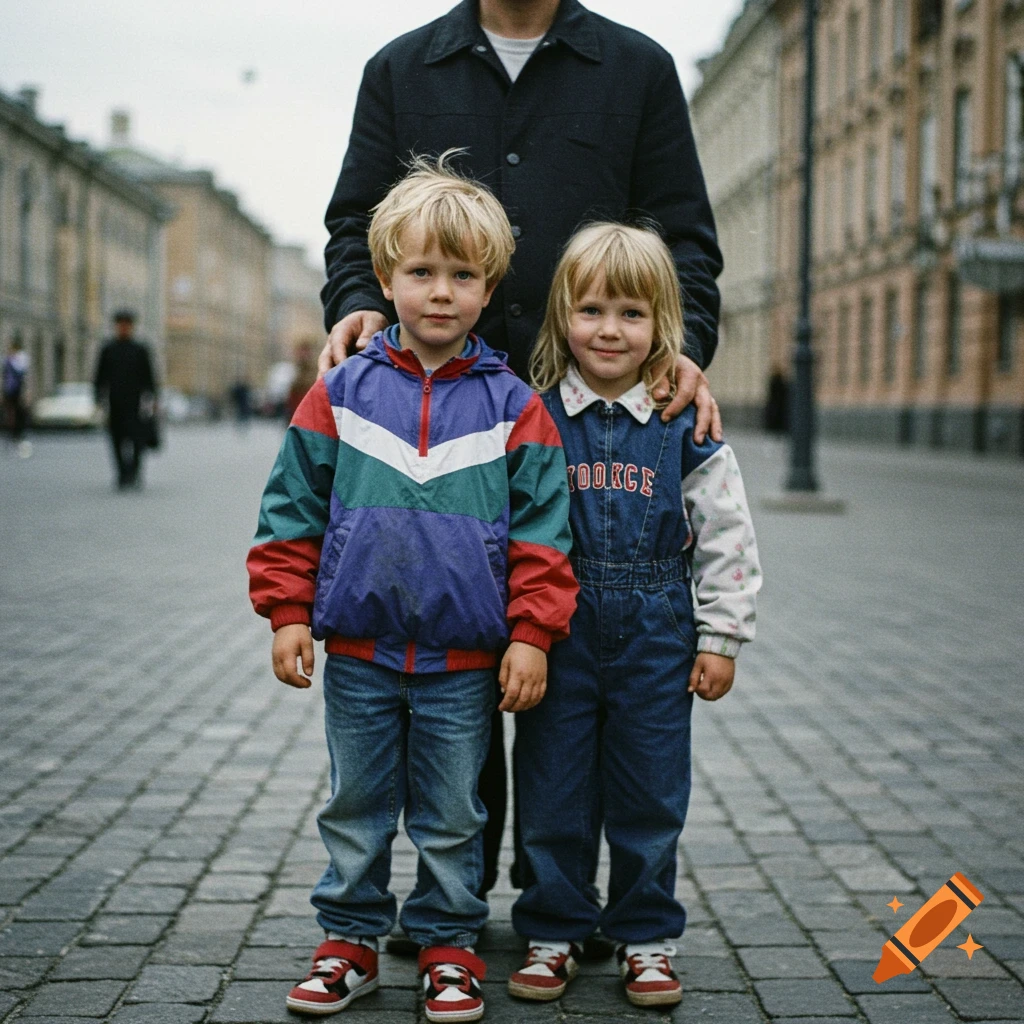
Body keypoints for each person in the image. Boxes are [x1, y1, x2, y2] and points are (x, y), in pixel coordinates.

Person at [319, 0, 726, 898]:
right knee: (447, 672)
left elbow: (684, 238)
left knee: (558, 667)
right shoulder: (400, 68)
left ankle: (557, 901)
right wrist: (355, 297)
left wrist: (681, 348)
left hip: (581, 415)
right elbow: (355, 224)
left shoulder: (637, 68)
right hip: (427, 414)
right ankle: (453, 899)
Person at [246, 155, 578, 1021]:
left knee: (450, 815)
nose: (441, 292)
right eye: (421, 272)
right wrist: (288, 614)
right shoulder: (342, 392)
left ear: (489, 284)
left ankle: (448, 946)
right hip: (356, 651)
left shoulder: (516, 407)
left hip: (463, 663)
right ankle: (349, 941)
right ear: (385, 277)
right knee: (356, 806)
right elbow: (291, 506)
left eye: (462, 275)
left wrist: (533, 634)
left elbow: (545, 534)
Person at [506, 223, 761, 1008]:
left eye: (630, 313)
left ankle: (646, 936)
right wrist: (517, 634)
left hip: (657, 630)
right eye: (590, 310)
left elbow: (726, 533)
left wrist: (721, 635)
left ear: (662, 324)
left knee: (651, 791)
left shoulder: (685, 422)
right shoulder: (537, 414)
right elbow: (509, 527)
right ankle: (554, 930)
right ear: (562, 318)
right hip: (560, 629)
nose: (609, 329)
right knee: (552, 785)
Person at [93, 310, 157, 489]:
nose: (123, 328)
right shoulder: (108, 350)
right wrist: (98, 398)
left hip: (135, 404)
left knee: (137, 440)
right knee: (116, 440)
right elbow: (100, 376)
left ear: (131, 327)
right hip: (115, 403)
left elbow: (149, 377)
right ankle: (122, 473)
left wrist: (153, 399)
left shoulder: (140, 350)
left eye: (126, 325)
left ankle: (134, 472)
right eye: (120, 325)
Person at [2, 338, 31, 456]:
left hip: (18, 391)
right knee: (9, 414)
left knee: (19, 413)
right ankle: (12, 437)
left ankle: (19, 437)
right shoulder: (7, 359)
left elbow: (21, 372)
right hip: (9, 390)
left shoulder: (21, 358)